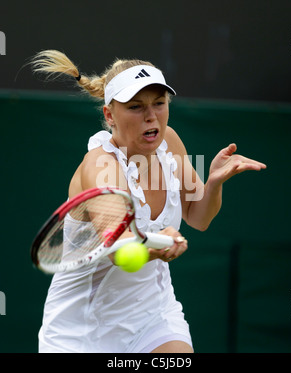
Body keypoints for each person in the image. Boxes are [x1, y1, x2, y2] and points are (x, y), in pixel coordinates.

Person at [31, 50, 266, 353]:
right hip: (82, 332)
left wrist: (213, 183)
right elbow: (121, 250)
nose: (151, 116)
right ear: (109, 115)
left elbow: (199, 216)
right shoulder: (99, 167)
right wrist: (159, 241)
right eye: (136, 107)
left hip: (153, 318)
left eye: (159, 103)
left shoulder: (170, 142)